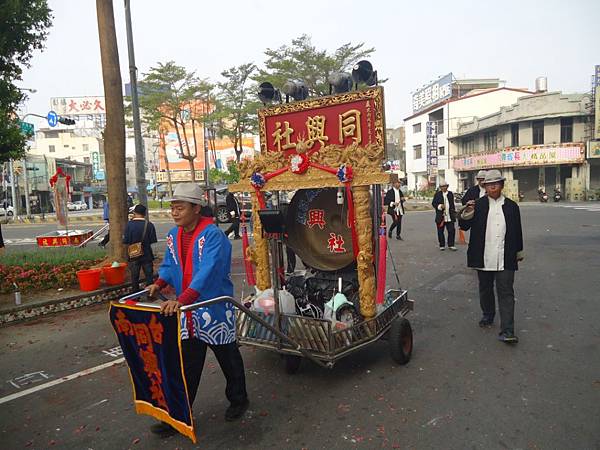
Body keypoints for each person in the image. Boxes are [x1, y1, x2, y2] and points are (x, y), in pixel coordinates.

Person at [146, 183, 248, 437]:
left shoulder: (213, 235)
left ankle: (239, 400)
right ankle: (179, 414)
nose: (175, 213)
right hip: (188, 312)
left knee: (228, 359)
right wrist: (159, 283)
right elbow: (171, 265)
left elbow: (209, 271)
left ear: (196, 209)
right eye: (173, 208)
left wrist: (184, 298)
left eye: (180, 208)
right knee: (187, 365)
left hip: (213, 309)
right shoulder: (173, 235)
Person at [458, 169, 524, 344]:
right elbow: (464, 226)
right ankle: (488, 314)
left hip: (506, 256)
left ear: (501, 185)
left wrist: (519, 251)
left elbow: (517, 231)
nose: (493, 186)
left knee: (506, 292)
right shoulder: (478, 205)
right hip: (483, 255)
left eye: (496, 183)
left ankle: (508, 330)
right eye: (489, 184)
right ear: (484, 186)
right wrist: (467, 211)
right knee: (485, 289)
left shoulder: (511, 206)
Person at [122, 204, 157, 291]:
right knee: (149, 276)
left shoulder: (129, 225)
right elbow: (153, 240)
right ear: (144, 213)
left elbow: (126, 240)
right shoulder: (149, 225)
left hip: (134, 254)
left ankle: (135, 296)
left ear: (134, 213)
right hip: (147, 254)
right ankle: (150, 294)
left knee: (134, 277)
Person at [432, 179, 457, 251]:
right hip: (441, 216)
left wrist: (454, 213)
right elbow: (434, 203)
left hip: (449, 216)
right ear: (440, 187)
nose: (444, 188)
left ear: (447, 186)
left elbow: (452, 204)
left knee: (451, 230)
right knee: (440, 231)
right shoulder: (437, 194)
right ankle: (442, 245)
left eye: (445, 186)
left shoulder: (450, 194)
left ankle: (451, 244)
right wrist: (439, 206)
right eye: (442, 186)